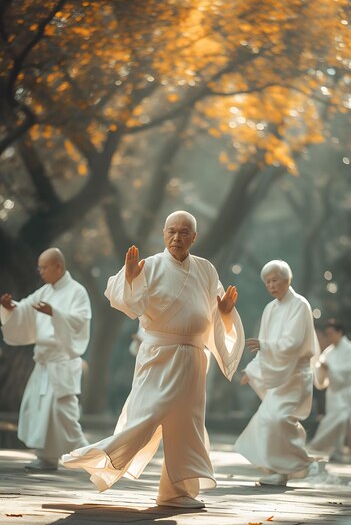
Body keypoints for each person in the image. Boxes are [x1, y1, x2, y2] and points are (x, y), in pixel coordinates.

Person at [62, 210, 245, 509]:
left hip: (194, 358)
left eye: (184, 232)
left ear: (194, 237)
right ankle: (100, 457)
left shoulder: (206, 269)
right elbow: (129, 304)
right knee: (147, 414)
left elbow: (213, 312)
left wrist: (224, 313)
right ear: (163, 233)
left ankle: (175, 492)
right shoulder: (151, 265)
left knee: (188, 424)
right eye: (171, 231)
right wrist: (131, 278)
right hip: (159, 355)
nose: (177, 237)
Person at [0, 248, 91, 471]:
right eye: (39, 267)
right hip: (43, 362)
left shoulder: (77, 292)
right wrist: (12, 308)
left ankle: (90, 456)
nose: (40, 271)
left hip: (61, 361)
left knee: (64, 413)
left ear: (58, 266)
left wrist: (56, 314)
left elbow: (81, 320)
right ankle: (48, 458)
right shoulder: (45, 291)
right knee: (39, 408)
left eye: (44, 267)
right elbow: (27, 308)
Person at [234, 259, 321, 486]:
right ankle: (279, 471)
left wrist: (266, 345)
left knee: (279, 419)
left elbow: (292, 342)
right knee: (266, 420)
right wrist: (252, 370)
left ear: (287, 279)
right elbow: (263, 347)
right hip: (277, 375)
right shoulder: (269, 309)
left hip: (295, 375)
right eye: (267, 282)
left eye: (275, 280)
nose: (271, 285)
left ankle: (303, 463)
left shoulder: (300, 305)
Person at [309, 320, 351, 462]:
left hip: (346, 391)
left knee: (342, 418)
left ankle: (328, 447)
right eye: (327, 334)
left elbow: (348, 370)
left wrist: (331, 369)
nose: (329, 337)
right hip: (333, 392)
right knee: (335, 418)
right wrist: (322, 367)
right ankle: (336, 450)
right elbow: (321, 369)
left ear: (339, 333)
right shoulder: (329, 351)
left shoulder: (349, 349)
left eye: (331, 334)